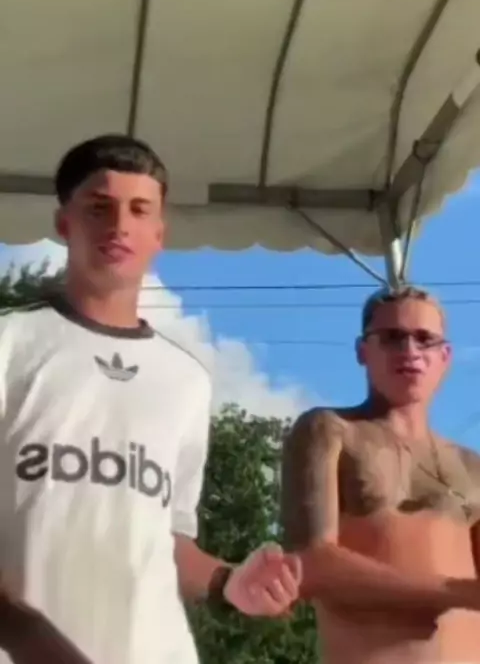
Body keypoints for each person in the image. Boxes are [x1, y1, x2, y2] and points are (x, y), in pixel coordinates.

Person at [0, 134, 301, 664]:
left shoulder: (186, 380)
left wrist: (229, 582)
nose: (120, 225)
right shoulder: (11, 343)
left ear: (159, 233)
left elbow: (168, 541)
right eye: (100, 208)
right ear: (64, 223)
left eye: (139, 210)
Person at [282, 286, 480, 664]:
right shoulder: (331, 430)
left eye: (424, 339)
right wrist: (450, 593)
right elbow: (309, 562)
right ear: (362, 351)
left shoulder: (473, 466)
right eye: (392, 337)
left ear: (445, 356)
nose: (410, 351)